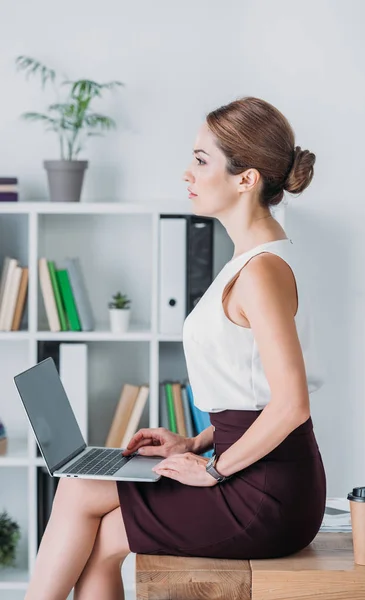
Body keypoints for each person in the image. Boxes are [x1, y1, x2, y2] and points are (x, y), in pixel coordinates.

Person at [25, 96, 326, 600]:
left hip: (265, 492)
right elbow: (251, 392)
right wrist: (195, 444)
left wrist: (213, 469)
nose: (187, 173)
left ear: (245, 179)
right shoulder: (248, 262)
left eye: (201, 160)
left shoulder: (263, 272)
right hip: (249, 469)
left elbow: (291, 405)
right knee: (101, 531)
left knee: (80, 490)